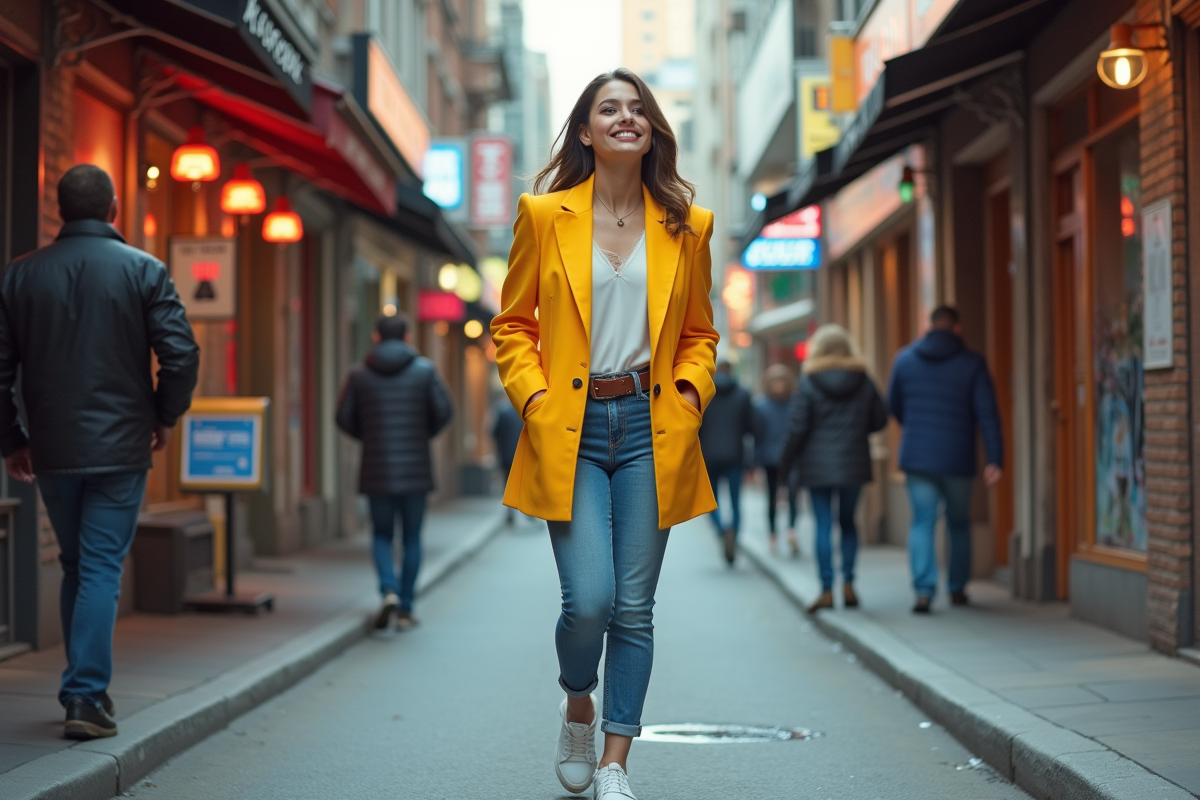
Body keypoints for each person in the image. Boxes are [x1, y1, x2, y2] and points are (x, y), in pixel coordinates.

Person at [491, 68, 717, 800]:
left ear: (651, 129)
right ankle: (577, 699)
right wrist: (533, 399)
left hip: (652, 427)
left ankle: (616, 762)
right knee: (586, 602)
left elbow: (700, 334)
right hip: (573, 430)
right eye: (608, 108)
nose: (626, 117)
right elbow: (513, 325)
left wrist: (688, 392)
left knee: (634, 607)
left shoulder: (689, 226)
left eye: (637, 108)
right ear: (586, 132)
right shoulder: (544, 214)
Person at [0, 164, 200, 740]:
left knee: (76, 565)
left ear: (62, 210)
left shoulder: (18, 276)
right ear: (112, 208)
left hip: (54, 450)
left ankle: (81, 690)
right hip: (120, 448)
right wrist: (163, 416)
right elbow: (182, 356)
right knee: (100, 568)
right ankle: (86, 698)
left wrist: (12, 439)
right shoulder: (144, 270)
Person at [336, 315, 452, 631]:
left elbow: (342, 417)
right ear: (407, 336)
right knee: (412, 537)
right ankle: (405, 607)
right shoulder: (425, 370)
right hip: (416, 468)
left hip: (376, 468)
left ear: (376, 337)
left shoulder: (359, 374)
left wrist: (370, 436)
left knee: (381, 534)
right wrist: (421, 434)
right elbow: (444, 412)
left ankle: (388, 588)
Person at [886, 306, 1003, 614]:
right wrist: (995, 458)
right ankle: (958, 588)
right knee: (958, 523)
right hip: (957, 456)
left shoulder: (905, 359)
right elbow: (987, 414)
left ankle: (924, 591)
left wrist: (915, 427)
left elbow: (893, 406)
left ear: (930, 325)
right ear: (957, 328)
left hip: (917, 456)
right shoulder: (972, 363)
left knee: (922, 521)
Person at [779, 325, 886, 613]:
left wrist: (786, 462)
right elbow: (879, 420)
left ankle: (826, 589)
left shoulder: (809, 382)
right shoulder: (863, 380)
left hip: (817, 466)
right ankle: (848, 583)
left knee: (823, 525)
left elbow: (797, 427)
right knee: (849, 523)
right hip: (853, 462)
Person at [699, 361, 753, 565]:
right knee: (736, 501)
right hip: (735, 456)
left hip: (709, 456)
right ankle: (733, 536)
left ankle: (723, 531)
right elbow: (751, 427)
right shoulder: (742, 394)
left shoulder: (705, 394)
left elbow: (696, 426)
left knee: (711, 502)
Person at [753, 364, 800, 556]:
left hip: (791, 457)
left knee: (793, 495)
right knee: (772, 497)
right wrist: (755, 463)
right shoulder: (761, 405)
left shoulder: (795, 403)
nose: (779, 385)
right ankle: (773, 534)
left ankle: (791, 531)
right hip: (770, 458)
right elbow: (757, 435)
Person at [491, 397, 523, 525]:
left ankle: (510, 510)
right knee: (523, 482)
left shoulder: (503, 412)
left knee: (508, 483)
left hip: (507, 455)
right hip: (523, 454)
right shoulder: (525, 412)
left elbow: (494, 433)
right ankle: (528, 510)